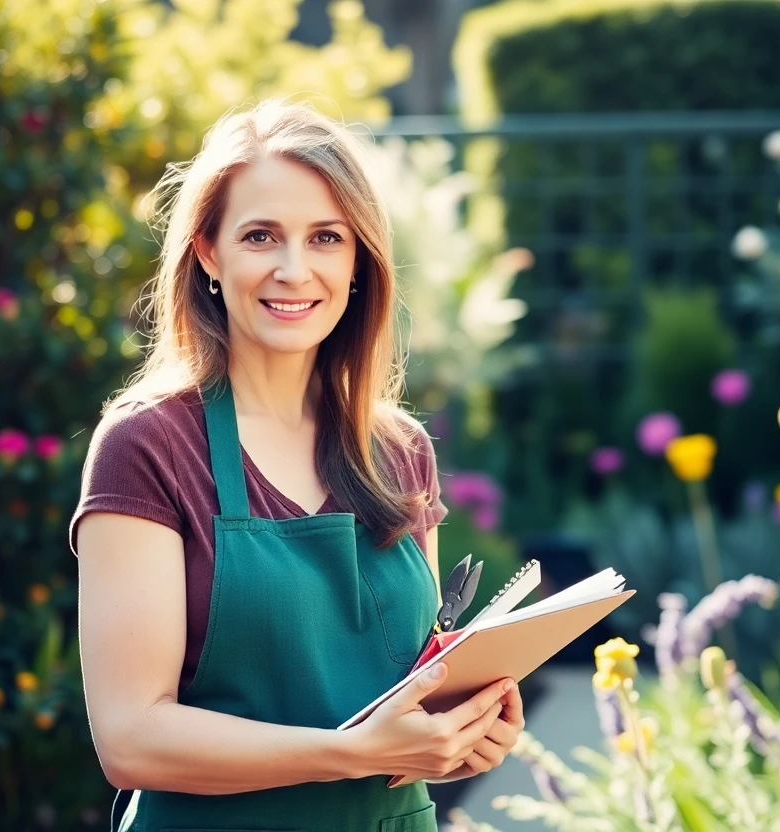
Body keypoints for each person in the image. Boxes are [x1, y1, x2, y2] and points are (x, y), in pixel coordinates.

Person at [69, 99, 524, 832]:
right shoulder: (149, 446)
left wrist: (459, 737)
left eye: (325, 238)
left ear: (358, 261)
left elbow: (409, 698)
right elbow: (131, 739)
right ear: (208, 253)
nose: (293, 269)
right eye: (260, 236)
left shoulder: (400, 452)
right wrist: (348, 752)